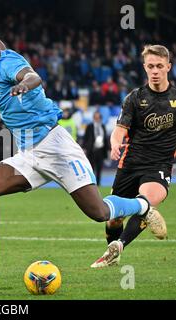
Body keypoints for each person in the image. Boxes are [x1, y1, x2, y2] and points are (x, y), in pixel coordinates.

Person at [0, 12, 156, 285]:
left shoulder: (9, 64)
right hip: (29, 154)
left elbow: (33, 77)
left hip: (56, 148)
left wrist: (23, 85)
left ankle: (142, 205)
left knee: (99, 213)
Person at [90, 45, 171, 268]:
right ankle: (113, 247)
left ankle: (118, 246)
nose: (155, 71)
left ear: (168, 67)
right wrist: (115, 144)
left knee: (145, 202)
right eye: (151, 66)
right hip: (131, 163)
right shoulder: (135, 98)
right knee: (113, 218)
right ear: (145, 68)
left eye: (160, 66)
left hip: (159, 165)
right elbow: (119, 131)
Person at [82, 111, 109, 186]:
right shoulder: (89, 126)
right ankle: (92, 183)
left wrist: (107, 149)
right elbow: (86, 138)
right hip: (92, 150)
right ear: (93, 118)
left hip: (100, 150)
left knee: (99, 168)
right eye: (95, 117)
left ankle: (98, 183)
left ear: (100, 118)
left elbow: (105, 138)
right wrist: (84, 148)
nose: (97, 119)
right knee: (91, 168)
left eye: (98, 117)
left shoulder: (102, 126)